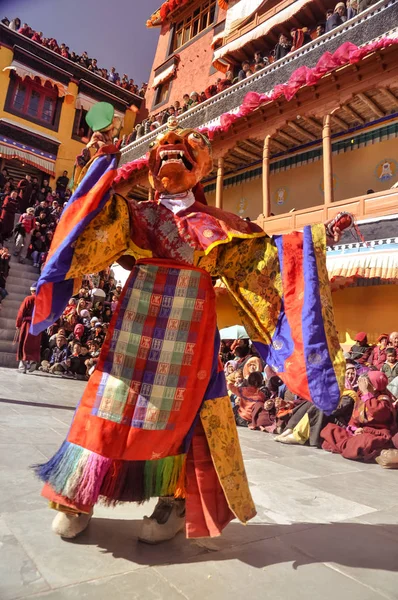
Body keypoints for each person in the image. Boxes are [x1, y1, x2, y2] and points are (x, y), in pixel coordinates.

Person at [32, 106, 345, 544]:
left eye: (183, 152)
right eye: (162, 154)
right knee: (107, 401)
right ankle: (76, 494)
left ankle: (173, 503)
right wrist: (99, 162)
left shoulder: (222, 225)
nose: (170, 157)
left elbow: (265, 258)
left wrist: (319, 237)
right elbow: (92, 223)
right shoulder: (136, 215)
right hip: (135, 325)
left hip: (191, 330)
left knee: (184, 417)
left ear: (200, 168)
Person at [321, 371, 396, 461]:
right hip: (361, 432)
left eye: (365, 383)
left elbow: (377, 411)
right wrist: (354, 429)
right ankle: (349, 446)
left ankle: (349, 447)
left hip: (377, 434)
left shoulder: (384, 399)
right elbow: (355, 418)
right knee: (330, 430)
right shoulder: (362, 397)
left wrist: (366, 393)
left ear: (374, 387)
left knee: (363, 442)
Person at [15, 283, 41, 373]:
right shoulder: (43, 300)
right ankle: (33, 362)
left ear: (32, 290)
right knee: (35, 344)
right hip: (38, 325)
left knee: (24, 343)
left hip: (28, 324)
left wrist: (18, 324)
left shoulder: (28, 299)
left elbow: (21, 312)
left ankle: (22, 366)